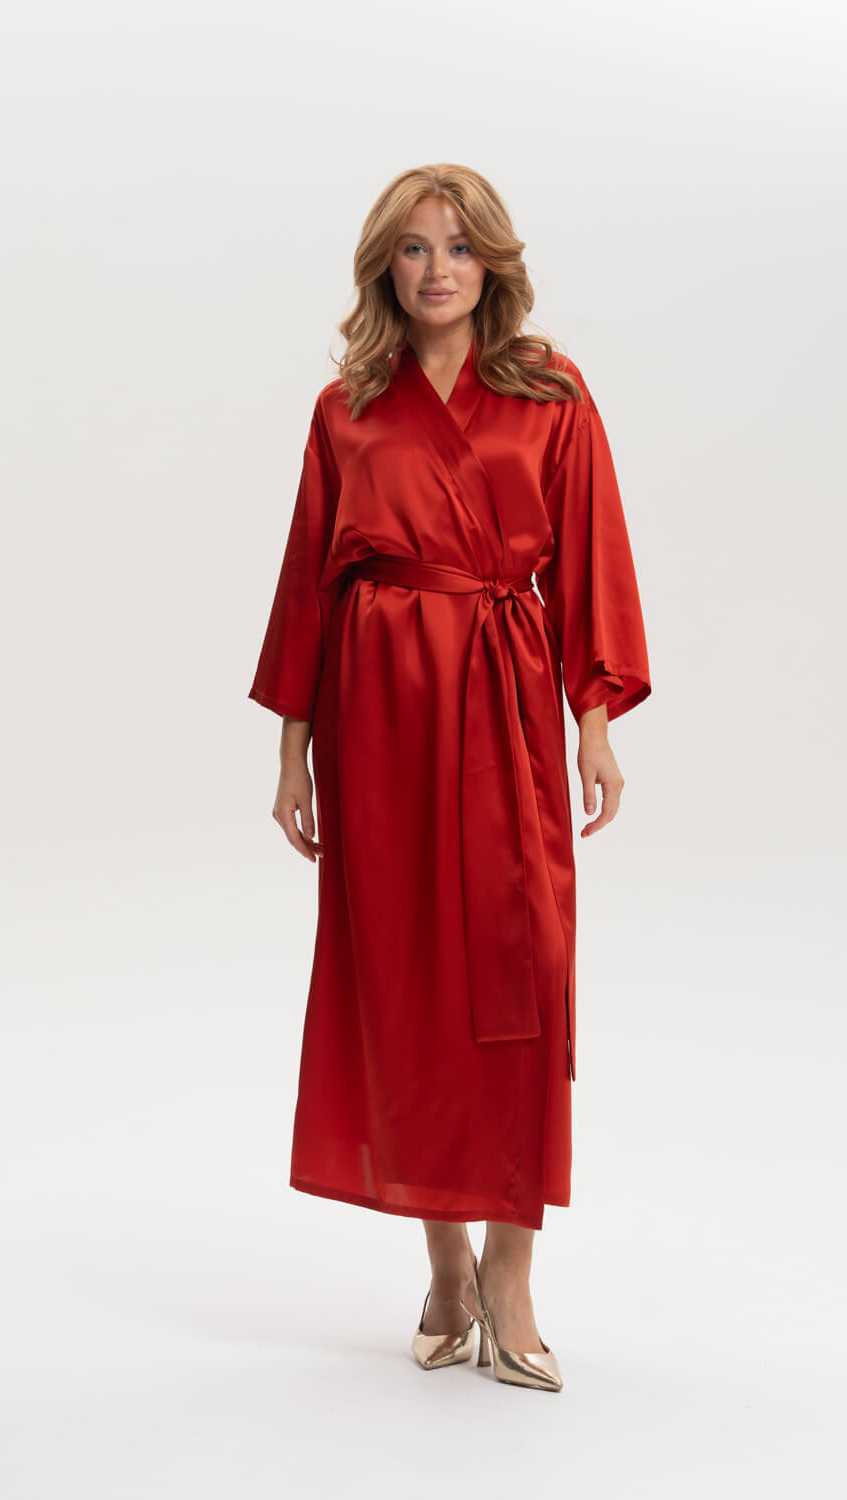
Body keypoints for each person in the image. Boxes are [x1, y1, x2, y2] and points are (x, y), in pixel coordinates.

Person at [249, 163, 652, 1392]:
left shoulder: (549, 393)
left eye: (460, 248)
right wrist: (292, 748)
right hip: (377, 713)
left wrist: (592, 724)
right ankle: (443, 1265)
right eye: (416, 248)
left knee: (521, 966)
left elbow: (589, 555)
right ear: (387, 265)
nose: (438, 270)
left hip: (505, 696)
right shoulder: (347, 408)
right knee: (406, 973)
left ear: (493, 264)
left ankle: (512, 1276)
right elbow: (308, 574)